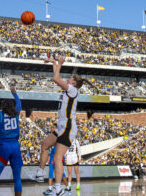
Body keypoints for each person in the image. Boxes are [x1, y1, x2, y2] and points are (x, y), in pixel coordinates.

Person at [35, 56, 96, 196]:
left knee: (57, 158)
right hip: (62, 127)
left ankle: (58, 187)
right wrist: (54, 63)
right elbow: (57, 76)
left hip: (68, 128)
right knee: (44, 145)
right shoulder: (69, 89)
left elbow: (56, 78)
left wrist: (60, 64)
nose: (67, 79)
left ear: (74, 83)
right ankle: (39, 173)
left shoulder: (73, 91)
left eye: (70, 78)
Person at [43, 124, 69, 196]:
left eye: (53, 127)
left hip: (57, 156)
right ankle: (65, 187)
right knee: (55, 172)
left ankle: (52, 189)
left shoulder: (59, 136)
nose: (52, 128)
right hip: (52, 156)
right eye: (51, 127)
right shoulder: (51, 136)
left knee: (58, 173)